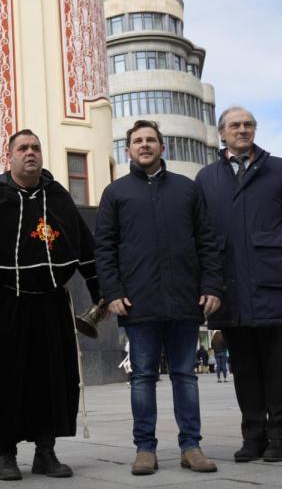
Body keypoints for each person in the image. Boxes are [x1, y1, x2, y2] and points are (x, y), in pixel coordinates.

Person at [0, 129, 100, 481]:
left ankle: (46, 452)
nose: (30, 153)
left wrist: (100, 291)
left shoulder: (58, 197)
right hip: (4, 303)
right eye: (23, 148)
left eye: (35, 148)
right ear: (9, 156)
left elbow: (86, 248)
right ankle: (6, 454)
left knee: (51, 380)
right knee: (3, 379)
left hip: (50, 303)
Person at [94, 120, 223, 476]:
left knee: (185, 376)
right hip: (138, 301)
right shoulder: (115, 193)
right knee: (142, 378)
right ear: (128, 150)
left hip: (185, 298)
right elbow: (104, 248)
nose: (145, 145)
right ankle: (144, 449)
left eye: (151, 140)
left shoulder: (187, 188)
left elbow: (206, 240)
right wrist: (113, 292)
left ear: (162, 147)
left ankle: (191, 447)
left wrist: (212, 285)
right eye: (138, 141)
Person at [195, 107, 282, 463]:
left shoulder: (280, 169)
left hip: (273, 281)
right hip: (230, 286)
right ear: (222, 133)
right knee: (244, 369)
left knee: (278, 367)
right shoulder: (206, 177)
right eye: (235, 125)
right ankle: (253, 437)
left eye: (248, 125)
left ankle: (280, 437)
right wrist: (205, 283)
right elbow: (201, 235)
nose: (242, 130)